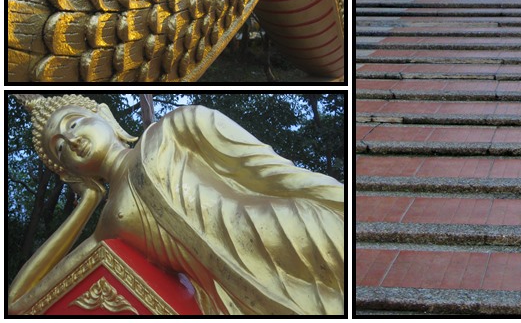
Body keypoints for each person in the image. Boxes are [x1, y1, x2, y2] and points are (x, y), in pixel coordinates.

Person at [8, 94, 344, 315]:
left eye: (74, 123)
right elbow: (18, 302)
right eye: (60, 148)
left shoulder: (174, 127)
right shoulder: (111, 224)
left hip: (284, 228)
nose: (72, 139)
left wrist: (333, 198)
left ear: (105, 116)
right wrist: (88, 201)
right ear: (69, 172)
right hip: (232, 299)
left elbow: (266, 171)